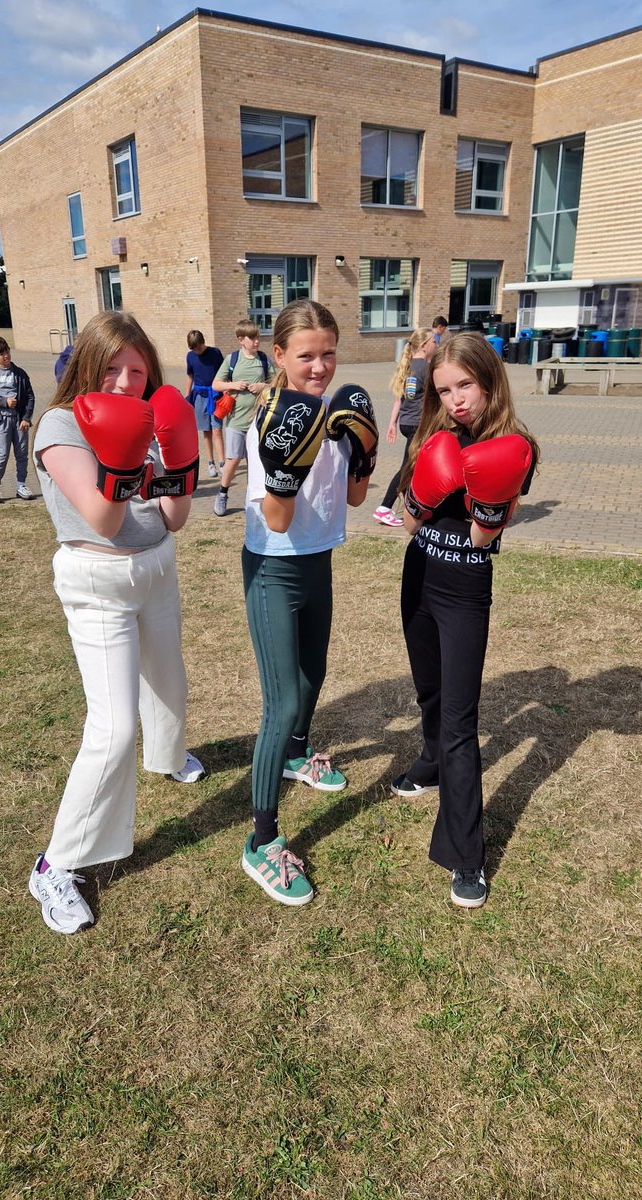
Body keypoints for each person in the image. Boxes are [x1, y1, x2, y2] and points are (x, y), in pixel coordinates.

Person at [29, 310, 205, 935]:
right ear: (87, 365)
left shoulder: (152, 418)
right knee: (113, 730)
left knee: (169, 681)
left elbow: (175, 517)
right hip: (98, 580)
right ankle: (56, 864)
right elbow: (103, 521)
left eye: (138, 370)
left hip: (157, 564)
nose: (128, 382)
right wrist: (129, 456)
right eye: (113, 369)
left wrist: (178, 461)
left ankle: (168, 756)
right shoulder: (59, 425)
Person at [393, 333, 539, 910]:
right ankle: (430, 763)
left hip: (464, 592)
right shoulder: (432, 435)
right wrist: (425, 490)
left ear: (489, 381)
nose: (455, 400)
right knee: (429, 692)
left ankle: (465, 853)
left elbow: (482, 539)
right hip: (418, 577)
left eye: (465, 386)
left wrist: (481, 492)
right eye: (444, 390)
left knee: (460, 720)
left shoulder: (516, 446)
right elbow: (409, 524)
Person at [240, 299, 377, 906]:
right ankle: (261, 840)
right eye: (306, 356)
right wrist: (285, 470)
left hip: (318, 562)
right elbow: (276, 518)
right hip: (274, 569)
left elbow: (354, 499)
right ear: (279, 355)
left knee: (313, 674)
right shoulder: (268, 422)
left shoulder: (335, 417)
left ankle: (297, 755)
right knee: (283, 700)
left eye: (328, 354)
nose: (319, 367)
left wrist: (364, 450)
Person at [373, 327, 437, 528]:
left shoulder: (408, 366)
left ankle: (415, 505)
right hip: (419, 425)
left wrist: (392, 423)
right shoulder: (426, 369)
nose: (437, 345)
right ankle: (385, 508)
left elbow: (399, 400)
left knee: (418, 466)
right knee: (408, 467)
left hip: (407, 423)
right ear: (424, 346)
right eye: (434, 341)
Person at [210, 319, 274, 516]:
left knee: (256, 462)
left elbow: (277, 383)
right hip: (236, 421)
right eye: (252, 338)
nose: (257, 341)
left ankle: (251, 499)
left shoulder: (263, 359)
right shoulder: (233, 359)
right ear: (241, 340)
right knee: (233, 459)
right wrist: (233, 384)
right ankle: (222, 493)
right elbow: (216, 384)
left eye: (258, 337)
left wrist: (263, 386)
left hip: (258, 421)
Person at [0, 334, 36, 504]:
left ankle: (21, 485)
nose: (6, 356)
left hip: (19, 421)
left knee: (22, 454)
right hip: (2, 420)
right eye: (2, 353)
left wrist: (26, 418)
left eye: (8, 352)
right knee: (2, 454)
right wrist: (4, 402)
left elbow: (30, 397)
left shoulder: (20, 373)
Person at [184, 329, 225, 478]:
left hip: (215, 396)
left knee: (217, 430)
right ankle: (211, 462)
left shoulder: (215, 353)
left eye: (199, 347)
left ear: (203, 342)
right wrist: (187, 397)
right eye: (194, 348)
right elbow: (190, 377)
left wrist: (227, 390)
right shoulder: (190, 356)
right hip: (199, 397)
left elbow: (223, 373)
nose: (197, 350)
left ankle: (222, 462)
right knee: (206, 432)